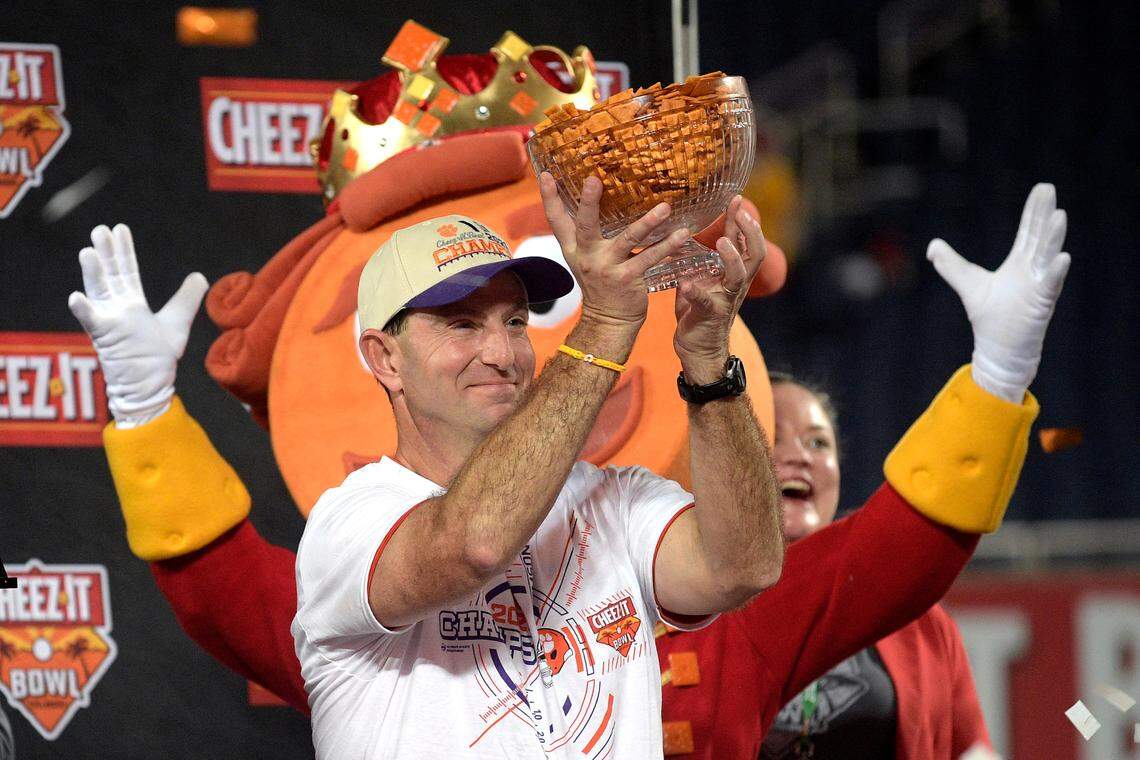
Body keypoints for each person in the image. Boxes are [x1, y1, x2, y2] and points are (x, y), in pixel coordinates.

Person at [70, 179, 786, 758]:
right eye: (460, 323)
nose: (503, 354)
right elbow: (471, 541)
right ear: (385, 359)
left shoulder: (614, 499)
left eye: (513, 322)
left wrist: (707, 363)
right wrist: (603, 326)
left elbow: (741, 567)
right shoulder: (352, 521)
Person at [656, 183, 1070, 758]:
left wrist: (999, 376)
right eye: (773, 437)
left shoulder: (915, 618)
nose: (799, 454)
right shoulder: (673, 601)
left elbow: (968, 745)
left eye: (819, 442)